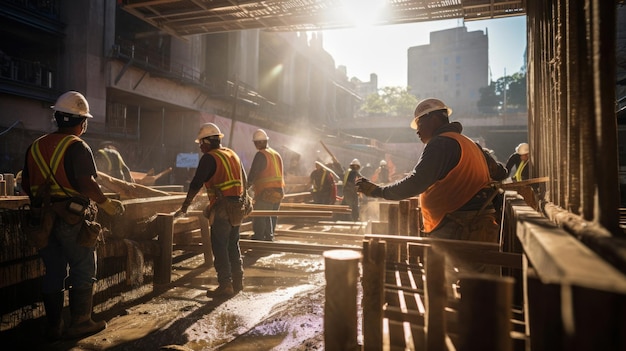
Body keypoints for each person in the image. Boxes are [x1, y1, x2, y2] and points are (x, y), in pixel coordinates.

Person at [356, 98, 504, 276]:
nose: (417, 131)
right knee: (477, 282)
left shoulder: (440, 143)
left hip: (456, 225)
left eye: (419, 123)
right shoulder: (470, 144)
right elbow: (500, 172)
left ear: (433, 119)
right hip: (480, 223)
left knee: (441, 283)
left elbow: (417, 182)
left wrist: (379, 191)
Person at [21, 91, 125, 340]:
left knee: (54, 270)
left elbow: (25, 184)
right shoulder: (78, 145)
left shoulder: (35, 146)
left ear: (57, 117)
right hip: (72, 217)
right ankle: (80, 322)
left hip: (42, 220)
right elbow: (86, 183)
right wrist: (107, 204)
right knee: (82, 265)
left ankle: (54, 326)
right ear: (82, 122)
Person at [175, 123, 246, 298]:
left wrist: (185, 205)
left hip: (223, 208)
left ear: (207, 141)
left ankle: (225, 285)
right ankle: (238, 282)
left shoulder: (209, 157)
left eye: (201, 143)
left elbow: (196, 183)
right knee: (232, 244)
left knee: (220, 246)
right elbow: (244, 179)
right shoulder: (232, 154)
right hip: (238, 206)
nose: (200, 147)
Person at [247, 129, 284, 241]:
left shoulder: (261, 155)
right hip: (279, 191)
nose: (255, 145)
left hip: (266, 192)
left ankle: (259, 239)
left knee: (260, 216)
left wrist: (245, 189)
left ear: (259, 142)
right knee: (270, 216)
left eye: (255, 142)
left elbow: (253, 173)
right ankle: (269, 238)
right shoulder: (276, 154)